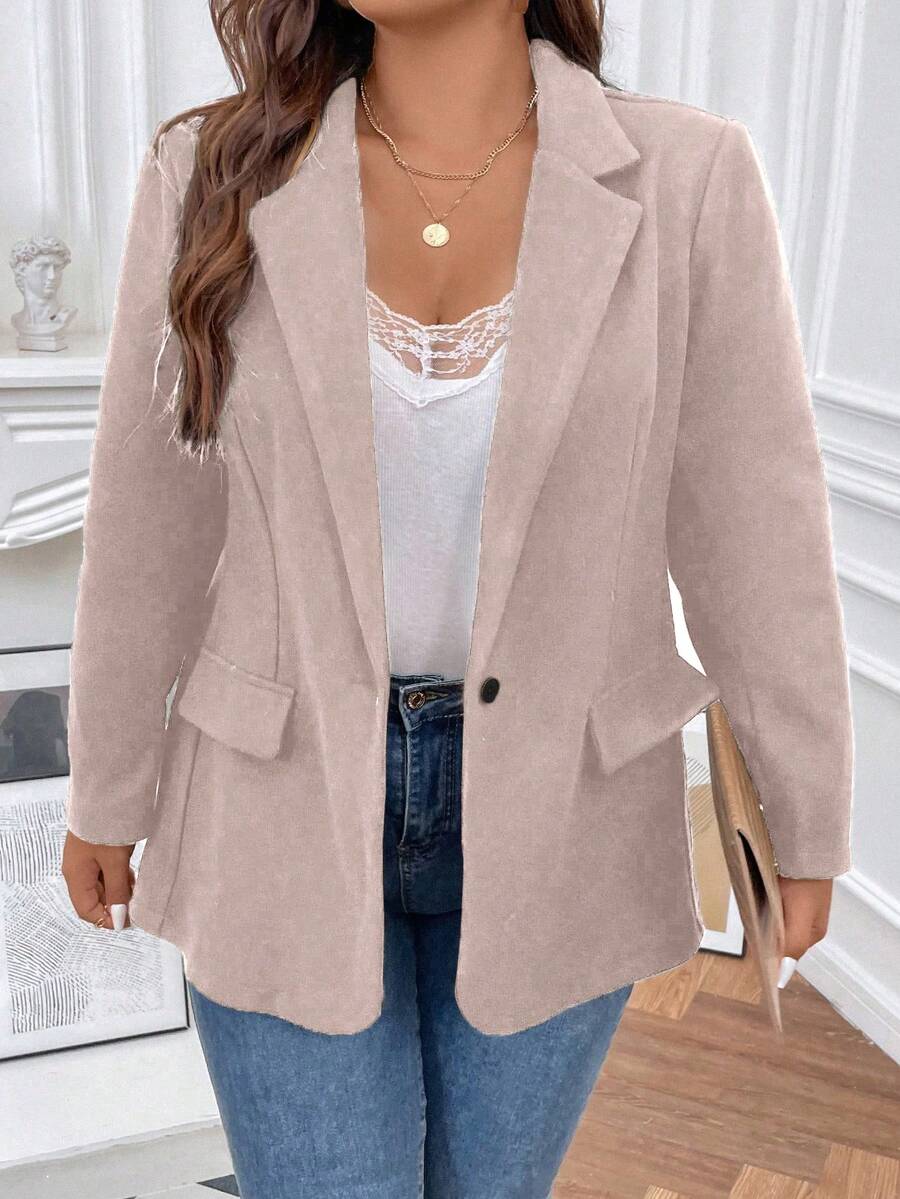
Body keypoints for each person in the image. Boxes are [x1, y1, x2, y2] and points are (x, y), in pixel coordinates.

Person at [61, 3, 854, 1196]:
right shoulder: (208, 171)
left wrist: (807, 811)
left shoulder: (688, 179)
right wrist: (106, 786)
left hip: (567, 813)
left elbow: (757, 530)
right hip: (276, 805)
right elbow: (147, 518)